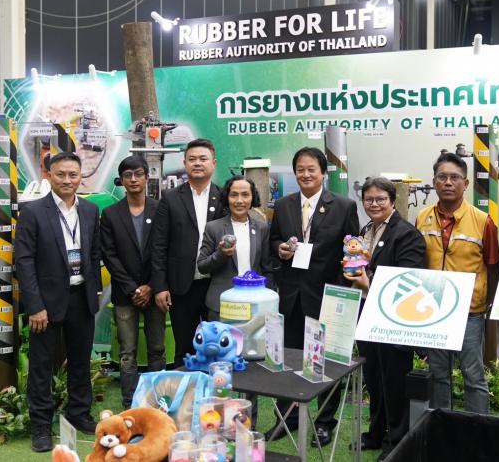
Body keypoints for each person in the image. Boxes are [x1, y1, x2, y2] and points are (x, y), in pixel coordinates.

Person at [266, 147, 359, 447]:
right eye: (300, 170)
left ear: (323, 173)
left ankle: (324, 422)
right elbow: (274, 240)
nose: (305, 175)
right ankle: (288, 417)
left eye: (311, 169)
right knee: (289, 358)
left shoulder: (343, 206)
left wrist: (342, 293)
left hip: (326, 296)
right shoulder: (283, 205)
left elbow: (351, 252)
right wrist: (280, 249)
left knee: (325, 362)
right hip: (291, 296)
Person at [14, 152, 102, 452]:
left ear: (80, 177)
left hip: (81, 298)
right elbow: (24, 262)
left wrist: (94, 291)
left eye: (72, 175)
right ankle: (41, 426)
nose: (67, 180)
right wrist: (35, 306)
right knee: (41, 366)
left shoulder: (89, 210)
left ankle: (79, 414)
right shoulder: (33, 212)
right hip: (46, 304)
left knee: (80, 361)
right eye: (61, 174)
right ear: (49, 176)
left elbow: (93, 253)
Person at [345, 177, 424, 460]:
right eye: (369, 199)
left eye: (380, 199)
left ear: (392, 201)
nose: (374, 204)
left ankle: (397, 440)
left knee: (394, 380)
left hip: (393, 317)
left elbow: (407, 280)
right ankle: (375, 433)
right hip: (366, 311)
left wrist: (368, 282)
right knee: (374, 377)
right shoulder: (366, 230)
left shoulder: (406, 234)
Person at [416, 152, 499, 415]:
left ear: (466, 183)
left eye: (455, 177)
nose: (448, 182)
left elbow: (493, 265)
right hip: (433, 308)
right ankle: (442, 426)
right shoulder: (422, 217)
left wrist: (488, 304)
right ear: (434, 182)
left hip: (469, 311)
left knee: (473, 375)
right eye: (442, 177)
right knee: (438, 373)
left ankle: (477, 429)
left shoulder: (483, 221)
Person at [151, 139, 223, 368]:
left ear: (213, 163)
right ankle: (187, 390)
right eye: (192, 159)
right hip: (182, 287)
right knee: (184, 348)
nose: (197, 163)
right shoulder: (170, 198)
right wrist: (160, 286)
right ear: (185, 163)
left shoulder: (224, 197)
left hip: (216, 284)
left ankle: (216, 390)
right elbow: (158, 245)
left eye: (203, 159)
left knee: (218, 348)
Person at [100, 155, 164, 408]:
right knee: (127, 352)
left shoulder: (160, 209)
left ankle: (159, 401)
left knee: (157, 348)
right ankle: (130, 403)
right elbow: (109, 255)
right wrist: (132, 288)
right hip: (125, 294)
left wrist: (151, 286)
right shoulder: (110, 214)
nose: (134, 179)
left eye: (138, 174)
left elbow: (165, 251)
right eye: (128, 175)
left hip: (155, 290)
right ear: (121, 180)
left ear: (147, 177)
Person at [197, 175, 275, 319]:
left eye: (245, 195)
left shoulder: (262, 228)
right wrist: (221, 254)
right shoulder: (213, 227)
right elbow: (202, 266)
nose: (239, 200)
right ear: (227, 198)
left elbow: (267, 268)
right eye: (234, 195)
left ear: (252, 198)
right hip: (222, 304)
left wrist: (269, 298)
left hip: (255, 303)